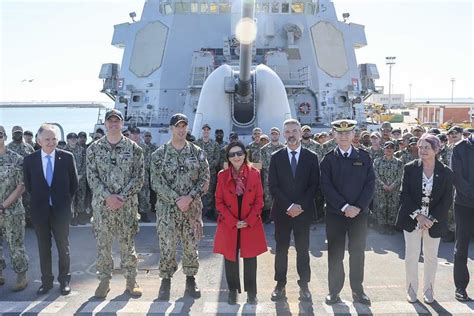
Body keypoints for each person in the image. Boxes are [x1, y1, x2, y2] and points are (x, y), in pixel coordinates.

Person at [150, 113, 210, 301]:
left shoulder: (197, 152)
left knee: (191, 245)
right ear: (171, 128)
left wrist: (189, 198)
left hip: (192, 209)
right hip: (168, 209)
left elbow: (205, 179)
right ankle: (165, 281)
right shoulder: (159, 154)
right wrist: (177, 199)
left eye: (184, 126)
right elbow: (156, 182)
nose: (182, 129)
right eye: (178, 126)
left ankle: (190, 280)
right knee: (167, 244)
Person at [86, 109, 145, 298]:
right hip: (103, 207)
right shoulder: (93, 149)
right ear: (105, 124)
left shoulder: (135, 149)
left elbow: (138, 178)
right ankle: (104, 281)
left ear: (122, 124)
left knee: (128, 244)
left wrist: (121, 197)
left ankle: (131, 280)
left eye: (116, 121)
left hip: (126, 206)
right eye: (110, 121)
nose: (113, 124)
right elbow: (91, 177)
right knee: (103, 245)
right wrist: (108, 196)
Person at [320, 119, 375, 306]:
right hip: (336, 215)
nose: (344, 136)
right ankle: (334, 292)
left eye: (347, 133)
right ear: (334, 135)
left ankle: (358, 291)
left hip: (359, 215)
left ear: (353, 135)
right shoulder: (328, 159)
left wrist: (357, 207)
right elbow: (326, 187)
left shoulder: (365, 157)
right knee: (335, 254)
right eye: (340, 133)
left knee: (357, 253)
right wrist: (344, 207)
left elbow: (369, 185)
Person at [396, 134, 453, 304]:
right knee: (411, 256)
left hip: (433, 223)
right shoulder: (410, 168)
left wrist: (431, 219)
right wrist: (419, 216)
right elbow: (403, 194)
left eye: (426, 147)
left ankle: (428, 290)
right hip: (413, 219)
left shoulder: (446, 172)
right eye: (420, 147)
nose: (422, 150)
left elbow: (447, 199)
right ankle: (411, 290)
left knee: (431, 257)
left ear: (436, 149)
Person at [268, 119, 320, 302]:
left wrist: (300, 206)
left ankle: (304, 285)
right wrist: (289, 206)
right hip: (283, 212)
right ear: (284, 134)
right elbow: (273, 186)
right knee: (281, 249)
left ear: (301, 133)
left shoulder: (311, 157)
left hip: (303, 213)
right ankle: (279, 285)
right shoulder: (276, 157)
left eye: (295, 131)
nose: (291, 134)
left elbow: (314, 185)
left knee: (303, 249)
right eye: (288, 131)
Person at [23, 124, 78, 296]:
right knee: (43, 247)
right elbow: (29, 186)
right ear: (39, 141)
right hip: (40, 211)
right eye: (47, 139)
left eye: (54, 138)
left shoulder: (67, 157)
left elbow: (74, 184)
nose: (51, 142)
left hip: (61, 211)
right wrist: (44, 200)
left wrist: (61, 200)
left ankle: (64, 281)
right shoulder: (29, 160)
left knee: (63, 247)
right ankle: (46, 282)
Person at [214, 141, 267, 305]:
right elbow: (219, 202)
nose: (236, 157)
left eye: (239, 153)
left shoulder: (254, 174)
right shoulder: (222, 175)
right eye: (232, 154)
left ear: (245, 154)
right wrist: (232, 221)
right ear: (228, 158)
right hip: (230, 224)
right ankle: (232, 291)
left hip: (249, 223)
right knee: (230, 259)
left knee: (250, 259)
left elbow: (259, 200)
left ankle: (252, 293)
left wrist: (249, 220)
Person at [0, 125, 29, 291]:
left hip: (12, 211)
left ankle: (21, 276)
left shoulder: (16, 159)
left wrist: (3, 206)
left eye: (0, 135)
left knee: (15, 244)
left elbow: (21, 186)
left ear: (4, 136)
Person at [452, 131, 474, 301]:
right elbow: (457, 178)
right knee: (461, 248)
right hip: (464, 205)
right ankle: (460, 287)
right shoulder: (460, 149)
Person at [372, 141, 403, 234]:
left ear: (394, 150)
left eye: (391, 148)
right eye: (387, 148)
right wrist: (383, 185)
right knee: (381, 207)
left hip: (394, 190)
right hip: (380, 190)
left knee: (393, 208)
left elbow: (400, 176)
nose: (389, 150)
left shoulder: (399, 162)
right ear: (384, 149)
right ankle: (381, 226)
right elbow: (375, 175)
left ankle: (390, 226)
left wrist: (393, 185)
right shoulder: (377, 161)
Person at [194, 123, 221, 221]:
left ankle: (209, 211)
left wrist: (208, 166)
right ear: (202, 131)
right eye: (204, 130)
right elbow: (194, 157)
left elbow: (217, 158)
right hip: (199, 173)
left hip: (211, 173)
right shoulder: (196, 144)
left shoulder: (214, 144)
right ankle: (199, 211)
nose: (206, 131)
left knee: (210, 192)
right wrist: (201, 167)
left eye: (207, 130)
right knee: (199, 191)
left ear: (209, 132)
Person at [260, 127, 285, 224]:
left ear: (279, 135)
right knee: (268, 196)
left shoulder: (284, 148)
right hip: (268, 176)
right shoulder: (264, 149)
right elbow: (263, 163)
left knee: (280, 195)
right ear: (270, 135)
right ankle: (268, 216)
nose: (274, 135)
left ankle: (280, 215)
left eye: (276, 134)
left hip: (281, 177)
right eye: (273, 134)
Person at [64, 132, 87, 225]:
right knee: (71, 199)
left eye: (74, 138)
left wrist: (80, 175)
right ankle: (72, 217)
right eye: (70, 138)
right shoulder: (63, 151)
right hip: (69, 180)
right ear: (67, 140)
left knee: (81, 197)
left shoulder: (82, 150)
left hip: (81, 178)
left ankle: (80, 217)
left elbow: (85, 163)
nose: (73, 140)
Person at [129, 127, 152, 223]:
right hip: (129, 176)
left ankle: (144, 214)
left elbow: (148, 161)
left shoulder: (145, 147)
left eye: (137, 133)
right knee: (130, 196)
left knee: (144, 196)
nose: (135, 135)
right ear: (130, 134)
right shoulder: (125, 146)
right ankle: (131, 215)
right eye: (133, 133)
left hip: (142, 175)